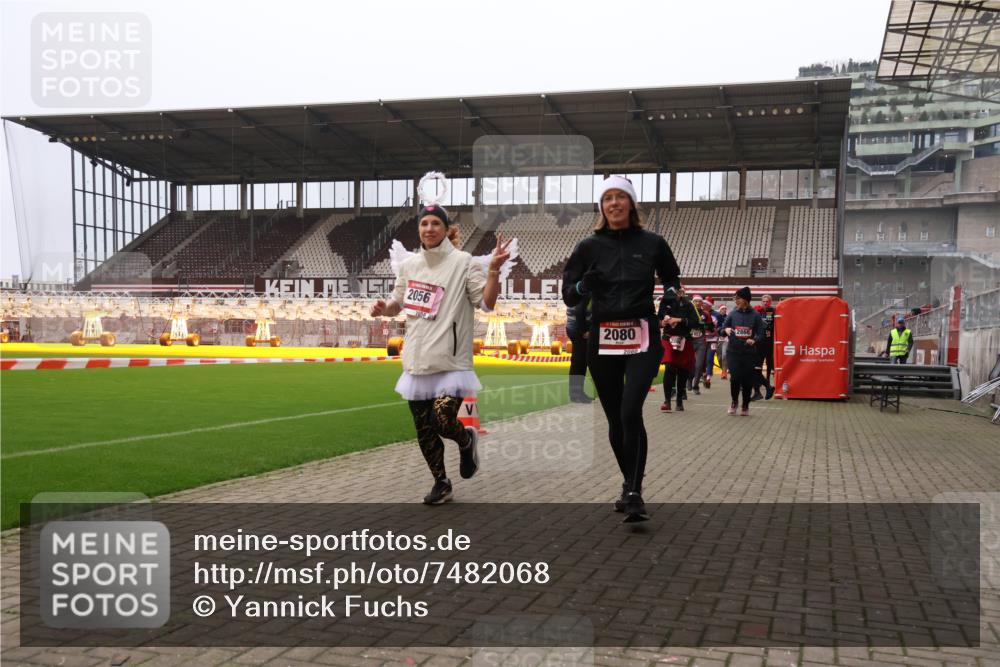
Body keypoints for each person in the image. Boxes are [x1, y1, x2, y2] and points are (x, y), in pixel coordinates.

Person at [371, 197, 511, 505]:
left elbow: (486, 304)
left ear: (446, 229)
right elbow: (397, 302)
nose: (429, 227)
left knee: (442, 419)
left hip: (451, 362)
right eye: (424, 223)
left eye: (436, 223)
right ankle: (441, 482)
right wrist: (385, 309)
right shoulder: (409, 266)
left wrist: (493, 273)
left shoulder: (464, 263)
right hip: (417, 362)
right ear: (418, 228)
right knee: (424, 428)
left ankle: (465, 439)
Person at [563, 175, 680, 523]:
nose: (614, 203)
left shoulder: (653, 242)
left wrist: (670, 297)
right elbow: (569, 293)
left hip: (642, 333)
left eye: (620, 197)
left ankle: (635, 489)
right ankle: (629, 485)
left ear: (631, 203)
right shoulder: (588, 247)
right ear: (601, 206)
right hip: (603, 336)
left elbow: (672, 277)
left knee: (631, 411)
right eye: (608, 198)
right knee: (615, 416)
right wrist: (585, 285)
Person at [722, 286, 766, 416]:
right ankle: (734, 402)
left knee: (747, 380)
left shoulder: (756, 315)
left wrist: (755, 340)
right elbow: (722, 328)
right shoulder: (732, 313)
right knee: (735, 379)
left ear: (745, 300)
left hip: (749, 353)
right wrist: (726, 330)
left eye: (738, 298)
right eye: (735, 298)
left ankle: (745, 404)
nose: (736, 301)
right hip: (733, 352)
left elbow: (761, 333)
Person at [657, 287, 698, 412]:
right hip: (668, 338)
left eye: (679, 292)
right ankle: (667, 401)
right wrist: (662, 323)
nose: (677, 294)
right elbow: (657, 319)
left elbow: (695, 322)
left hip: (684, 339)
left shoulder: (689, 305)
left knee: (683, 370)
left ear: (682, 293)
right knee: (669, 367)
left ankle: (679, 400)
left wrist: (679, 320)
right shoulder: (664, 304)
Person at [566, 296, 594, 403]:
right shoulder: (584, 289)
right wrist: (584, 331)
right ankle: (576, 394)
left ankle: (577, 394)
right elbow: (579, 310)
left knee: (579, 363)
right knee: (579, 363)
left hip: (574, 328)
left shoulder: (576, 287)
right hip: (579, 330)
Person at [752, 294, 777, 400]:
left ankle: (768, 388)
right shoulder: (757, 311)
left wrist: (767, 326)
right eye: (763, 301)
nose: (765, 303)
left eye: (767, 301)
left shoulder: (773, 311)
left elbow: (774, 326)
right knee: (756, 367)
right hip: (758, 343)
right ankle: (760, 390)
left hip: (769, 343)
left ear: (770, 302)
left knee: (770, 366)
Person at [687, 295, 707, 395]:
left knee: (699, 365)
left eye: (700, 301)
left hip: (701, 340)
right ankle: (689, 379)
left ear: (702, 303)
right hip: (689, 340)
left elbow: (711, 326)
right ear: (692, 302)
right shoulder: (688, 312)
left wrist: (707, 325)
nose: (698, 303)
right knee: (690, 363)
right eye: (696, 301)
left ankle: (696, 385)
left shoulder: (705, 314)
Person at [715, 303, 729, 380]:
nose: (724, 310)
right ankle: (723, 369)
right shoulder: (716, 317)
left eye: (725, 309)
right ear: (720, 310)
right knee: (719, 357)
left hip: (726, 339)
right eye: (723, 309)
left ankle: (724, 372)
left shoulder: (728, 317)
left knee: (724, 355)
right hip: (717, 339)